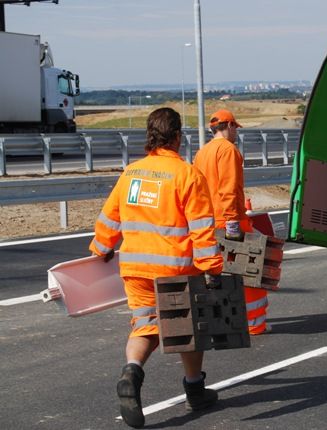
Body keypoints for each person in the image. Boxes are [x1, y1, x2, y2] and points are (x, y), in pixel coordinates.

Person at [90, 107, 223, 428]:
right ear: (178, 137)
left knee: (144, 326)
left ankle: (131, 371)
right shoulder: (187, 175)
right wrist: (212, 267)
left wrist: (101, 248)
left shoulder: (132, 173)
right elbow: (202, 228)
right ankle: (194, 389)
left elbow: (110, 218)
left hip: (135, 269)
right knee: (188, 330)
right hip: (175, 270)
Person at [193, 109, 270, 335]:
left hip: (207, 222)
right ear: (228, 126)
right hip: (229, 220)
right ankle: (255, 324)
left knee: (217, 276)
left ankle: (221, 322)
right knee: (251, 273)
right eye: (235, 127)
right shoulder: (228, 150)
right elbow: (229, 189)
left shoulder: (202, 152)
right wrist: (233, 224)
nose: (236, 131)